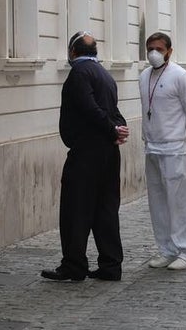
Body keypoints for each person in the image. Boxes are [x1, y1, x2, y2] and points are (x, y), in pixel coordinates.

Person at [42, 31, 129, 282]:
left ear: (72, 52)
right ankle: (111, 265)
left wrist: (111, 129)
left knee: (75, 210)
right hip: (108, 154)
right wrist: (117, 128)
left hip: (86, 153)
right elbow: (113, 110)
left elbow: (90, 107)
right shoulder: (105, 74)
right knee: (106, 210)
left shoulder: (79, 73)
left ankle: (74, 265)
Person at [139, 32, 186, 272]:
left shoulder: (181, 76)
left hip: (175, 147)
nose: (153, 52)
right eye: (150, 48)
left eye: (158, 48)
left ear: (169, 51)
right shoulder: (144, 76)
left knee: (180, 201)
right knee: (158, 202)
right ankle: (166, 249)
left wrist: (185, 134)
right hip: (152, 146)